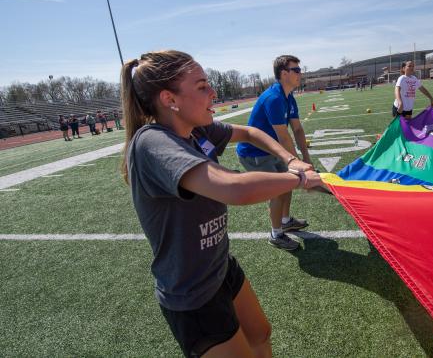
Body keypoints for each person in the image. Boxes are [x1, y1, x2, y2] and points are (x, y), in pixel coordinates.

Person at [121, 50, 323, 357]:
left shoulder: (195, 128)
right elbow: (233, 189)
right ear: (169, 99)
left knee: (261, 333)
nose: (213, 93)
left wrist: (291, 159)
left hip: (219, 267)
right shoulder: (152, 143)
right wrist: (299, 178)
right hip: (191, 294)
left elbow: (251, 132)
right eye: (202, 86)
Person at [236, 55, 312, 251]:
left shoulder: (289, 96)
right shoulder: (274, 98)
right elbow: (283, 136)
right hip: (254, 152)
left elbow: (297, 130)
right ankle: (276, 234)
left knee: (287, 183)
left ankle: (285, 221)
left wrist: (307, 159)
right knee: (278, 189)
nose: (300, 74)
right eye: (296, 70)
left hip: (272, 150)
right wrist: (296, 162)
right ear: (283, 73)